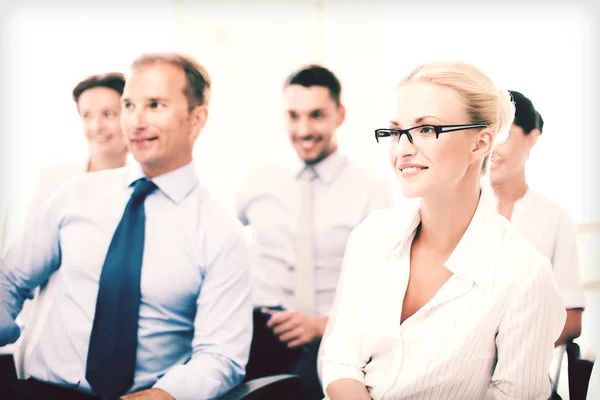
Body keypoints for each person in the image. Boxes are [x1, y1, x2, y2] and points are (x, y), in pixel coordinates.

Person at [0, 52, 253, 400]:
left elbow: (221, 355)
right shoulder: (75, 194)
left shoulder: (220, 233)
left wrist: (166, 394)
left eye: (155, 105)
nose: (135, 121)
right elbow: (10, 279)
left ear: (196, 120)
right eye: (129, 105)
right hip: (40, 391)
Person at [321, 61, 566, 400]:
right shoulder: (371, 236)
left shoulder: (524, 276)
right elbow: (339, 360)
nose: (402, 149)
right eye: (395, 132)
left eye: (426, 129)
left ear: (480, 144)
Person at [235, 65, 394, 399]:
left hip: (333, 339)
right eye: (294, 116)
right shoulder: (255, 181)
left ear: (340, 115)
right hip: (257, 335)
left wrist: (323, 325)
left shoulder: (372, 192)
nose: (304, 129)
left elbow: (384, 286)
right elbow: (221, 251)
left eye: (317, 115)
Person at [1, 72, 133, 378]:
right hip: (53, 343)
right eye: (87, 115)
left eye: (108, 114)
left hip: (116, 343)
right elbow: (24, 263)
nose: (96, 126)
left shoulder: (146, 186)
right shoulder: (55, 179)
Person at [491, 90, 585, 346]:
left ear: (532, 138)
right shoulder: (457, 212)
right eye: (486, 135)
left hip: (526, 370)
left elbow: (571, 318)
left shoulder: (554, 218)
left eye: (504, 136)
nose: (491, 148)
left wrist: (514, 351)